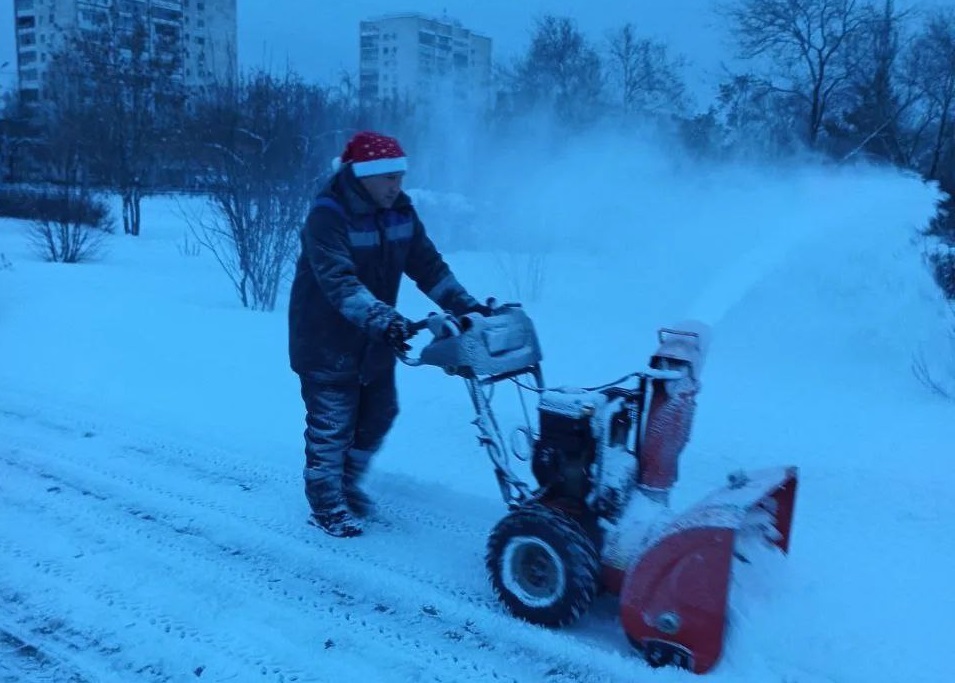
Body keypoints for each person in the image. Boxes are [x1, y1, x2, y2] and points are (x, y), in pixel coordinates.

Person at [287, 130, 491, 538]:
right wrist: (385, 319)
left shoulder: (401, 212)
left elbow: (427, 266)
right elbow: (340, 284)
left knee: (379, 415)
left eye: (399, 175)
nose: (396, 184)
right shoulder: (328, 216)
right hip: (326, 342)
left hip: (375, 340)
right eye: (387, 177)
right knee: (332, 426)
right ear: (363, 176)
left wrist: (464, 305)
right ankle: (326, 504)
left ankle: (346, 483)